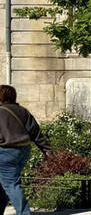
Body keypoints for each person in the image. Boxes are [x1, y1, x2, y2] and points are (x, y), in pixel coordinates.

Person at [0, 86, 50, 215]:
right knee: (5, 183)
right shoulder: (22, 111)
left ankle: (24, 213)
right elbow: (35, 132)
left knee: (11, 184)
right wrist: (47, 150)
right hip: (24, 151)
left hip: (5, 152)